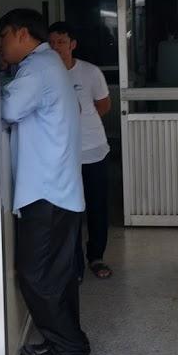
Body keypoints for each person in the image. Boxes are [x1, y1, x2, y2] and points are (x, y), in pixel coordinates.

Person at [0, 8, 90, 355]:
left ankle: (69, 349)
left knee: (37, 275)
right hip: (56, 189)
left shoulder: (37, 69)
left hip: (47, 193)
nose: (1, 45)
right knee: (57, 276)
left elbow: (6, 109)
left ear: (22, 34)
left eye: (3, 36)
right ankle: (65, 342)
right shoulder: (48, 64)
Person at [48, 22, 113, 280]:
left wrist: (81, 125)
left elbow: (104, 105)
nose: (56, 47)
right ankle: (72, 262)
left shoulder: (90, 72)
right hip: (61, 155)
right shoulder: (45, 73)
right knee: (68, 210)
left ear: (72, 44)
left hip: (93, 150)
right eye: (51, 43)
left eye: (61, 42)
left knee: (97, 207)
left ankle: (96, 257)